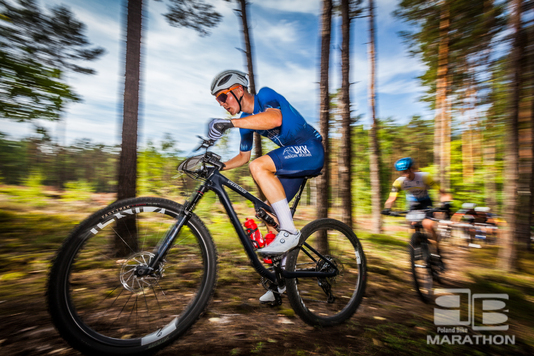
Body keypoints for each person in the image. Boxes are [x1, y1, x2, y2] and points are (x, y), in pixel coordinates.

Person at [207, 70, 324, 302]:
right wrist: (218, 166)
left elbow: (274, 119)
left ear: (238, 90)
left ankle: (289, 231)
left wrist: (229, 124)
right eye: (218, 100)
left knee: (259, 166)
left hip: (310, 149)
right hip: (294, 160)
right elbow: (242, 158)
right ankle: (280, 281)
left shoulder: (264, 95)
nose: (221, 104)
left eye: (223, 97)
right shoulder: (246, 124)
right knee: (268, 213)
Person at [382, 157, 452, 247]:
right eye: (402, 172)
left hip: (426, 202)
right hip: (413, 203)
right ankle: (417, 247)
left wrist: (446, 203)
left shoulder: (424, 177)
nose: (405, 174)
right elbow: (392, 198)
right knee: (412, 224)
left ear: (412, 168)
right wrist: (387, 208)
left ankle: (436, 248)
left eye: (407, 170)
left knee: (427, 224)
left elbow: (441, 191)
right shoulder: (398, 182)